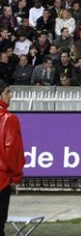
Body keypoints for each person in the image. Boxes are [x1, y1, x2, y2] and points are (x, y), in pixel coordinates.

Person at [0, 81, 24, 231]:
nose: (11, 95)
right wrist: (16, 176)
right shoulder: (9, 118)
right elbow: (12, 150)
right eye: (8, 92)